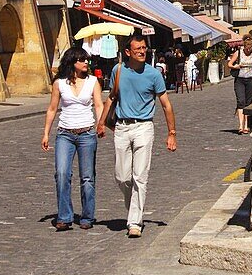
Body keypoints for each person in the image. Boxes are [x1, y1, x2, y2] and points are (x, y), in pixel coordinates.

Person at [98, 36, 177, 238]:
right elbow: (112, 97)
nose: (142, 51)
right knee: (122, 176)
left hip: (144, 127)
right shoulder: (118, 71)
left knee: (139, 176)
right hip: (122, 127)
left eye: (144, 48)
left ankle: (135, 221)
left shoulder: (154, 74)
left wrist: (171, 133)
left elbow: (166, 105)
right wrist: (101, 123)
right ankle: (133, 206)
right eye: (138, 49)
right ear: (128, 52)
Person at [42, 46, 104, 231]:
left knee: (87, 178)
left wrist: (101, 124)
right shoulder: (59, 83)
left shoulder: (93, 81)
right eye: (82, 59)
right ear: (72, 62)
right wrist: (46, 133)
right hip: (65, 135)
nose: (86, 62)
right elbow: (52, 108)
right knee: (62, 174)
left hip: (86, 133)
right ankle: (64, 216)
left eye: (86, 60)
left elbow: (99, 105)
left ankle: (87, 216)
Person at [226, 36, 252, 134]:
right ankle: (241, 125)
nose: (248, 50)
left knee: (248, 103)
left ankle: (246, 126)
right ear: (244, 46)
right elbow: (229, 64)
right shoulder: (239, 53)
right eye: (247, 48)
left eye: (250, 48)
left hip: (250, 80)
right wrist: (236, 66)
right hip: (239, 80)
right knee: (241, 101)